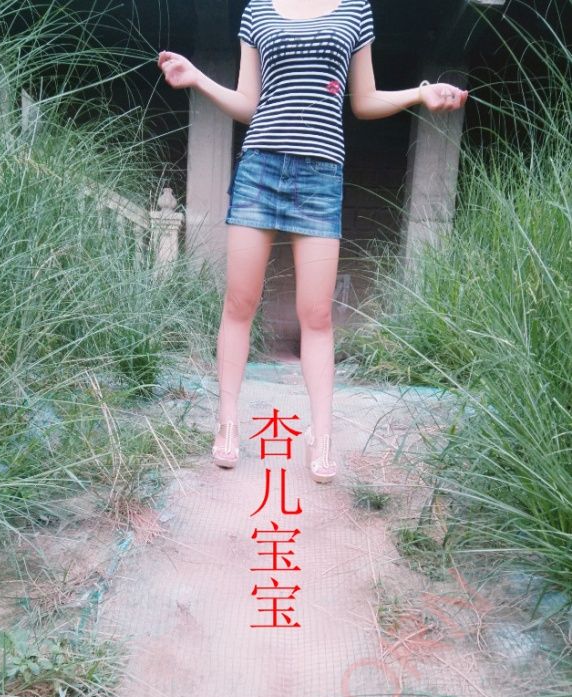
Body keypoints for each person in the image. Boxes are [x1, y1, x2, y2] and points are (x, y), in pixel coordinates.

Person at [158, 0, 467, 482]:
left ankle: (321, 438)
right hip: (260, 169)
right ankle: (227, 423)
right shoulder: (258, 10)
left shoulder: (355, 9)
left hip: (321, 176)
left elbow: (364, 100)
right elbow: (249, 104)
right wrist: (198, 78)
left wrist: (421, 93)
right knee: (239, 302)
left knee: (317, 315)